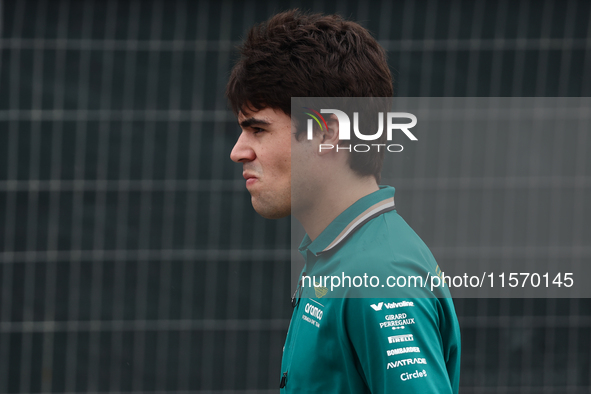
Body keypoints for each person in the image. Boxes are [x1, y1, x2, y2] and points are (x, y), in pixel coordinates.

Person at [227, 9, 460, 393]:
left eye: (258, 129)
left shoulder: (380, 274)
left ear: (328, 131)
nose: (238, 151)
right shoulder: (341, 255)